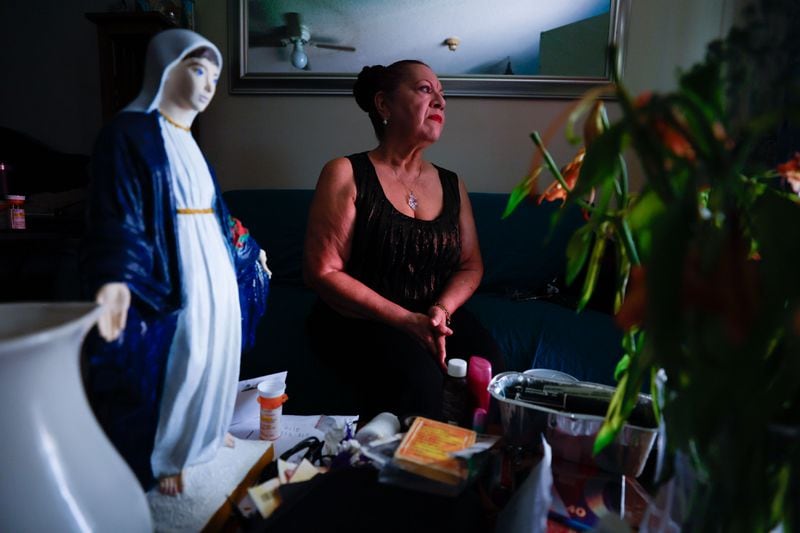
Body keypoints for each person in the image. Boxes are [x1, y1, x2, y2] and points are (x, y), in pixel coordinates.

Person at [81, 29, 270, 495]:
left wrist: (246, 251)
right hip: (172, 264)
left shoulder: (189, 140)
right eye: (199, 70)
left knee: (216, 351)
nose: (209, 85)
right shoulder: (128, 134)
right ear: (165, 68)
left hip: (211, 259)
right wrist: (118, 279)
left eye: (215, 75)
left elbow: (215, 210)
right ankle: (165, 453)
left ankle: (203, 435)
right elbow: (118, 213)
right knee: (183, 354)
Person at [304, 60, 503, 424]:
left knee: (489, 373)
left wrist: (439, 312)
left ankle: (480, 474)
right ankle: (407, 476)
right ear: (384, 105)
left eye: (442, 93)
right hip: (360, 319)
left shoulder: (452, 183)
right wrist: (404, 320)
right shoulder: (344, 173)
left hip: (433, 315)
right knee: (420, 384)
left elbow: (470, 264)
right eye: (425, 89)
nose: (440, 101)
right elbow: (323, 270)